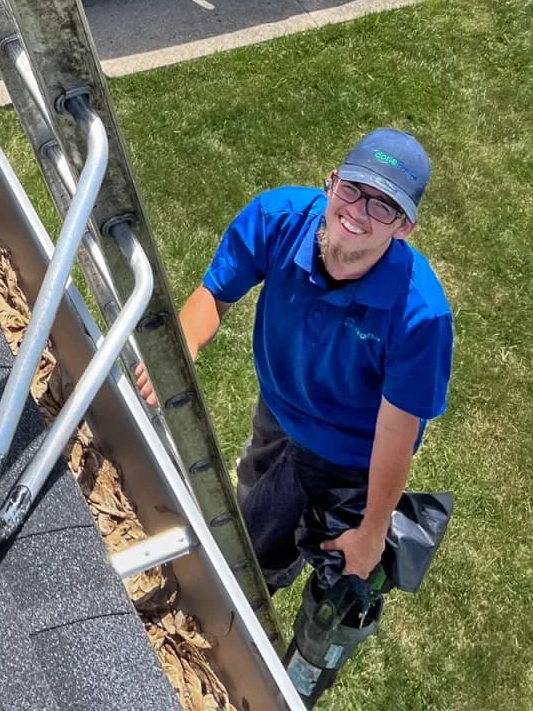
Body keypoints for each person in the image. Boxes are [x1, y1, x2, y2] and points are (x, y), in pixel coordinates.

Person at [138, 129, 453, 590]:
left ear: (404, 227)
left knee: (250, 559)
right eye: (352, 189)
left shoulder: (420, 315)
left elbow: (396, 433)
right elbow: (214, 295)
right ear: (332, 181)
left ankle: (246, 598)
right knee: (249, 484)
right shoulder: (277, 218)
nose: (357, 213)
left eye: (382, 206)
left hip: (342, 453)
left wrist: (371, 533)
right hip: (278, 405)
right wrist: (183, 342)